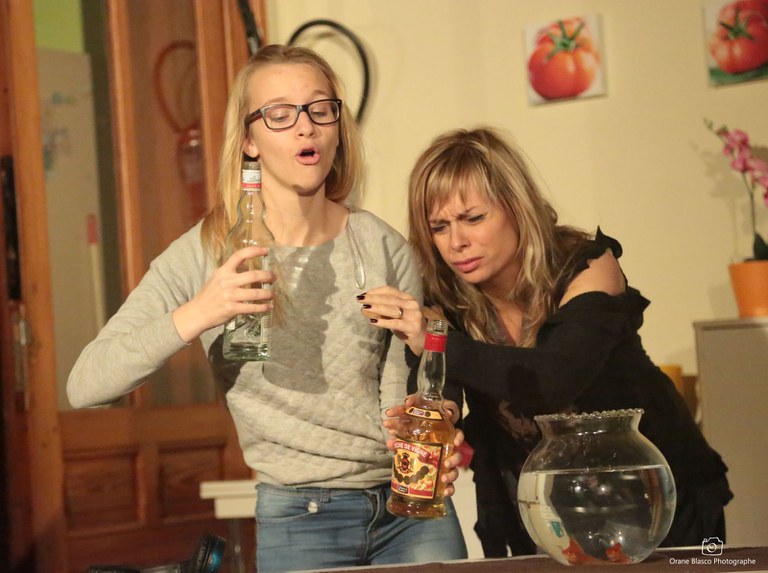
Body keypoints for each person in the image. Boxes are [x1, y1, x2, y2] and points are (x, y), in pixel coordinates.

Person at [67, 44, 467, 573]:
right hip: (302, 519)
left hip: (410, 511)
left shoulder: (381, 244)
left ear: (337, 128)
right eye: (280, 114)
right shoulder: (208, 251)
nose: (305, 127)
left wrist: (433, 424)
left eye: (319, 109)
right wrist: (200, 312)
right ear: (250, 141)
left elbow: (407, 394)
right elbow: (86, 385)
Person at [359, 127, 733, 558]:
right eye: (439, 227)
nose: (457, 243)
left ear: (516, 206)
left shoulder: (585, 266)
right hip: (544, 513)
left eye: (473, 218)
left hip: (652, 503)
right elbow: (441, 388)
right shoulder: (446, 296)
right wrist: (433, 422)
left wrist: (433, 341)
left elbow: (552, 381)